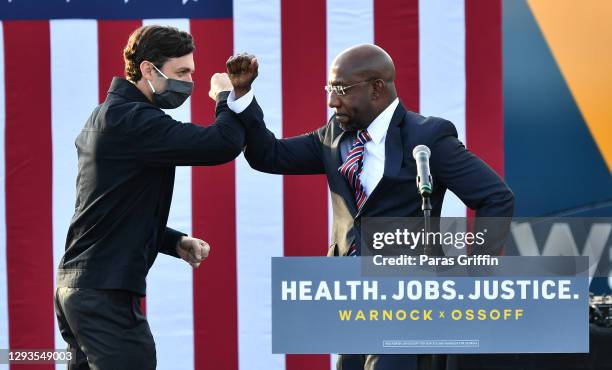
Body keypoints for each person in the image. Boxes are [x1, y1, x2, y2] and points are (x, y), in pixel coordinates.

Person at [215, 44, 515, 370]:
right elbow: (268, 155)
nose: (332, 100)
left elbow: (495, 197)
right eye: (330, 89)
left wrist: (477, 278)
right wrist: (242, 96)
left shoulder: (427, 136)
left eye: (341, 90)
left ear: (376, 89)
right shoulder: (335, 135)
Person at [54, 25, 247, 370]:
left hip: (81, 289)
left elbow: (113, 210)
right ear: (147, 69)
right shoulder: (132, 120)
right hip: (103, 295)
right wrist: (225, 97)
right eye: (182, 72)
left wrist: (173, 242)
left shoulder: (107, 116)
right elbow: (223, 144)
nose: (189, 82)